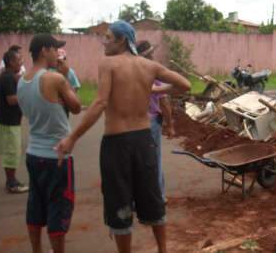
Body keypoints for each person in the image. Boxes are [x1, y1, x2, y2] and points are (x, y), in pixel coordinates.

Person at [55, 20, 191, 253]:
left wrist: (72, 137)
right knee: (151, 196)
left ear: (121, 40)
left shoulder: (108, 64)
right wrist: (158, 89)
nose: (104, 42)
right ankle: (163, 250)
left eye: (108, 38)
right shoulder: (149, 66)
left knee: (120, 202)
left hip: (117, 143)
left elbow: (100, 103)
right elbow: (185, 84)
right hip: (143, 140)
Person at [17, 34, 82, 253]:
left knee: (35, 206)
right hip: (58, 156)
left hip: (33, 153)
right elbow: (75, 106)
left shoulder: (22, 80)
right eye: (55, 49)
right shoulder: (54, 79)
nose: (58, 54)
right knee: (58, 208)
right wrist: (65, 77)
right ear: (45, 50)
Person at [136, 40, 175, 204]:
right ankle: (158, 196)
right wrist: (170, 125)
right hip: (151, 121)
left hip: (135, 121)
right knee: (154, 159)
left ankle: (137, 198)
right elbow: (164, 103)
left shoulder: (133, 74)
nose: (153, 56)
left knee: (138, 160)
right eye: (150, 54)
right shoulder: (154, 74)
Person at [0, 49, 28, 193]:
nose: (21, 62)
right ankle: (11, 183)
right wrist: (26, 94)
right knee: (11, 152)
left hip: (8, 121)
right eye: (19, 60)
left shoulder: (9, 76)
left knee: (11, 151)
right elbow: (11, 100)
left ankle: (11, 180)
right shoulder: (8, 78)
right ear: (11, 62)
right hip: (7, 122)